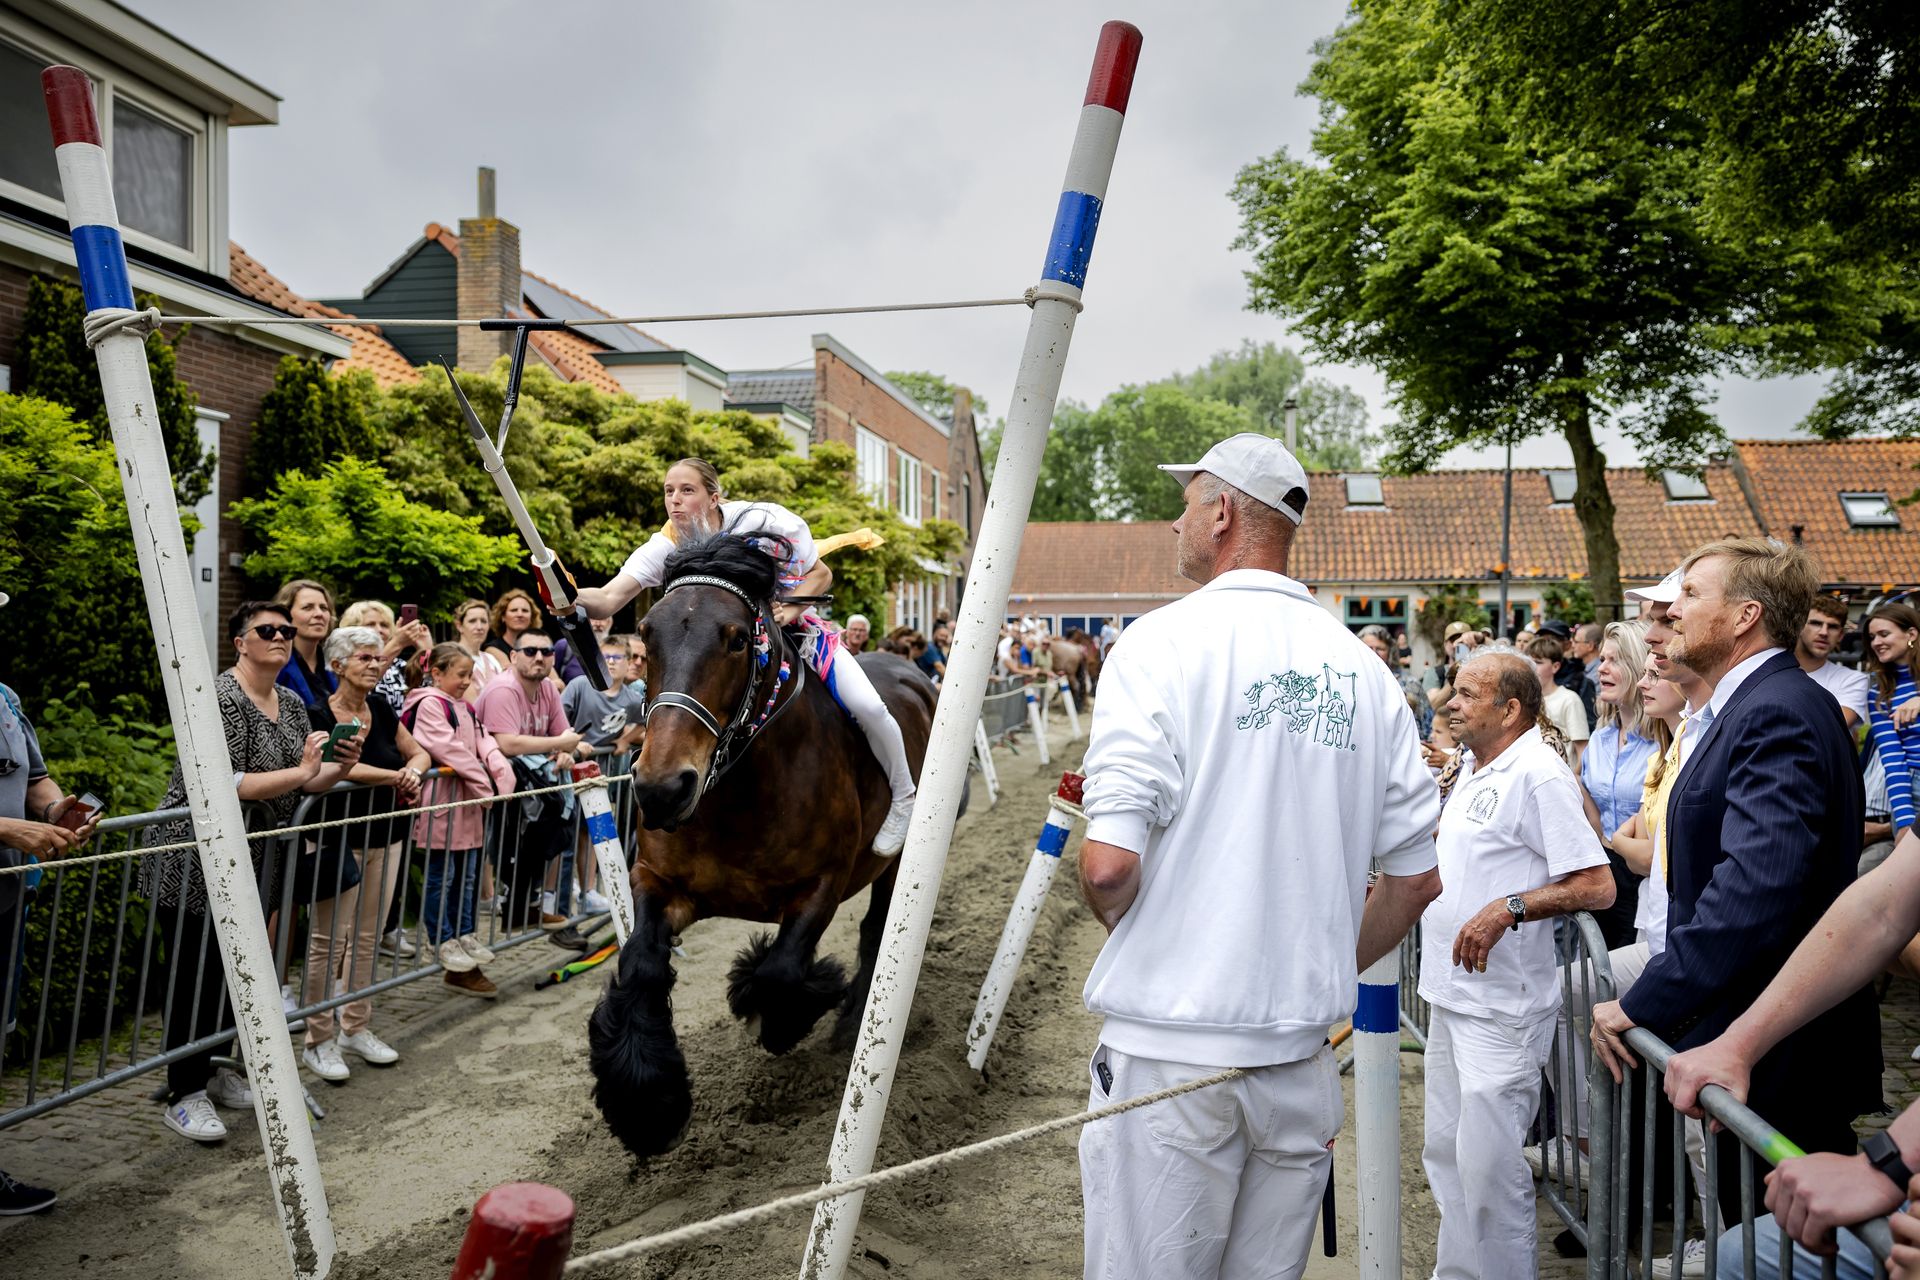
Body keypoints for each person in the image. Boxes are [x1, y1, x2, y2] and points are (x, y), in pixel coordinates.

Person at [1075, 433, 1442, 1280]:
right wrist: (1321, 964)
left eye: (1186, 502)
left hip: (1174, 1051)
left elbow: (1106, 866)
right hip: (1297, 1058)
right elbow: (1418, 875)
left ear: (1224, 512)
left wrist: (1145, 927)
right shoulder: (1364, 670)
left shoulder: (1157, 646)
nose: (1175, 522)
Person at [1591, 538, 1879, 1231]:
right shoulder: (1748, 707)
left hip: (1781, 1045)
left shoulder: (1774, 711)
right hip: (1752, 1030)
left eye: (1690, 596)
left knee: (1773, 1237)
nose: (1670, 615)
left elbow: (1753, 888)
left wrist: (1645, 1001)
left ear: (1746, 614)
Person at [572, 457, 920, 855]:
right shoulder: (664, 545)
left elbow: (821, 575)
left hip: (794, 632)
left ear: (714, 496)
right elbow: (607, 600)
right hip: (723, 652)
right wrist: (565, 590)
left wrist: (788, 609)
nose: (675, 500)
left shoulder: (764, 522)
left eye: (687, 490)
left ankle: (904, 797)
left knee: (870, 707)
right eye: (669, 491)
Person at [1419, 650, 1614, 1280]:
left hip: (1502, 1009)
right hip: (1451, 996)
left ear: (1510, 709)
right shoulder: (1478, 767)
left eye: (1467, 694)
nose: (1452, 703)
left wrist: (1510, 908)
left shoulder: (1538, 774)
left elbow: (1595, 885)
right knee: (1447, 1157)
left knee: (1491, 1172)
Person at [140, 600, 361, 1142]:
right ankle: (184, 1092)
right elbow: (223, 783)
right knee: (193, 975)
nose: (281, 636)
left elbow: (303, 781)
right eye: (268, 630)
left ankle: (216, 1072)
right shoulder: (218, 697)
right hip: (195, 860)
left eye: (286, 630)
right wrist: (304, 771)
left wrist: (341, 766)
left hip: (256, 863)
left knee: (235, 973)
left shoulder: (288, 700)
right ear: (240, 642)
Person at [297, 626, 428, 1082]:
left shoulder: (381, 707)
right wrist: (395, 776)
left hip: (387, 834)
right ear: (338, 666)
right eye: (365, 658)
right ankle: (318, 1038)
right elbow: (339, 767)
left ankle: (355, 1026)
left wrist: (412, 770)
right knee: (326, 942)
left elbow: (418, 753)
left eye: (378, 658)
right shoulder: (317, 714)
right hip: (337, 836)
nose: (376, 665)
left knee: (368, 938)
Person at [0, 676, 99, 1214]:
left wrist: (57, 813)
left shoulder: (6, 697)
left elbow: (34, 780)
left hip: (6, 898)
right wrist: (7, 831)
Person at [403, 642, 515, 998]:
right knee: (442, 875)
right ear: (437, 673)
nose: (467, 681)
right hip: (444, 806)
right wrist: (486, 785)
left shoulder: (464, 707)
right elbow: (450, 750)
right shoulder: (429, 705)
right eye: (461, 675)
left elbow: (485, 745)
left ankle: (465, 930)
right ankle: (442, 937)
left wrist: (503, 776)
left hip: (468, 806)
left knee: (467, 875)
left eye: (470, 675)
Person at [473, 628, 584, 939]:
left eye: (546, 652)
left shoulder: (548, 688)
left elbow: (564, 736)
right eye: (530, 651)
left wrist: (564, 750)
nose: (539, 657)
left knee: (548, 833)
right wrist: (559, 744)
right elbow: (506, 743)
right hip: (489, 789)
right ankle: (490, 926)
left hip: (527, 786)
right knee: (497, 851)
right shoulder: (503, 690)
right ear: (513, 656)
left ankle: (526, 908)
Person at [1579, 621, 1658, 949]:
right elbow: (1588, 806)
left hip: (1645, 880)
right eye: (1602, 660)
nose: (1602, 669)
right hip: (1602, 873)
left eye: (1614, 661)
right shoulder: (1600, 737)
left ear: (1638, 667)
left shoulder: (1662, 741)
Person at [561, 635, 646, 916]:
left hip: (600, 776)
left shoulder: (633, 697)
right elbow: (559, 717)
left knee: (595, 832)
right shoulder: (580, 686)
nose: (610, 663)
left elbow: (647, 717)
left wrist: (625, 741)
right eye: (605, 657)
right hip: (567, 769)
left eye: (616, 658)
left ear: (627, 663)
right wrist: (570, 741)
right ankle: (559, 894)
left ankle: (588, 891)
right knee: (568, 834)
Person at [1865, 603, 1920, 842]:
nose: (1876, 642)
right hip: (1912, 786)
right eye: (1872, 637)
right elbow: (1892, 759)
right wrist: (1905, 821)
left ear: (1911, 634)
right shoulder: (1879, 693)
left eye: (1883, 634)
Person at [337, 599, 433, 715]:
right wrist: (397, 643)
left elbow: (429, 686)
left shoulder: (399, 665)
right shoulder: (344, 663)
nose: (379, 630)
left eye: (384, 625)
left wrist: (426, 650)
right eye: (370, 624)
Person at [1797, 594, 1870, 728]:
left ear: (1841, 635)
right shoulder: (1772, 671)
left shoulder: (1852, 679)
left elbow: (1831, 728)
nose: (1824, 632)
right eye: (1816, 623)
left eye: (1832, 627)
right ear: (1800, 626)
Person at [1528, 634, 1590, 770]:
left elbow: (1582, 750)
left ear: (1555, 666)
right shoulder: (1526, 700)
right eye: (1529, 662)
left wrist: (1572, 780)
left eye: (1538, 662)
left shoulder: (1569, 699)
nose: (1532, 667)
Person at [1360, 622, 1432, 737]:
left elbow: (1427, 725)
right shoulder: (1351, 683)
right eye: (1368, 648)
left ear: (1390, 652)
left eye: (1379, 648)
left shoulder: (1410, 683)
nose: (1373, 653)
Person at [273, 579, 336, 710]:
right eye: (308, 607)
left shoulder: (336, 664)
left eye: (324, 608)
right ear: (285, 614)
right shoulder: (275, 666)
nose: (319, 614)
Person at [1539, 618, 1599, 724]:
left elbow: (1588, 723)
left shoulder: (1579, 677)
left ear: (1567, 644)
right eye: (1541, 639)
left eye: (1553, 639)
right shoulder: (1529, 675)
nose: (1546, 644)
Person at [454, 597, 507, 689]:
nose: (479, 627)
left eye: (483, 621)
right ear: (459, 626)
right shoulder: (451, 656)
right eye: (472, 621)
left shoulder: (491, 660)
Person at [553, 611, 614, 686]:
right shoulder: (564, 645)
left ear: (609, 623)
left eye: (603, 619)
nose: (598, 624)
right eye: (593, 619)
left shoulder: (615, 650)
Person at [486, 589, 540, 670]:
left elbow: (557, 681)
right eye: (514, 610)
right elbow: (511, 673)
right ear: (503, 616)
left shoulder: (539, 647)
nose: (520, 614)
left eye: (525, 611)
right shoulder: (492, 649)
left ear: (531, 618)